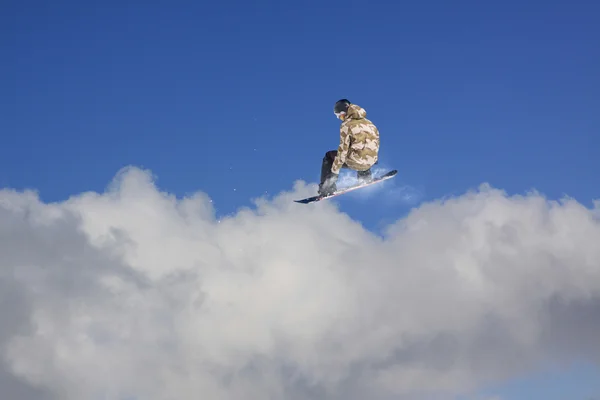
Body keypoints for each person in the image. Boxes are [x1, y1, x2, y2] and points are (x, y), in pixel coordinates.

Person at [318, 99, 380, 196]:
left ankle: (326, 188)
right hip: (370, 162)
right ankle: (365, 177)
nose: (339, 118)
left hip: (356, 162)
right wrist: (371, 160)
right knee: (360, 148)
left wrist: (334, 173)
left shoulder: (346, 125)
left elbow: (343, 150)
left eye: (339, 116)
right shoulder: (370, 124)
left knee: (329, 156)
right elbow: (375, 144)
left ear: (344, 113)